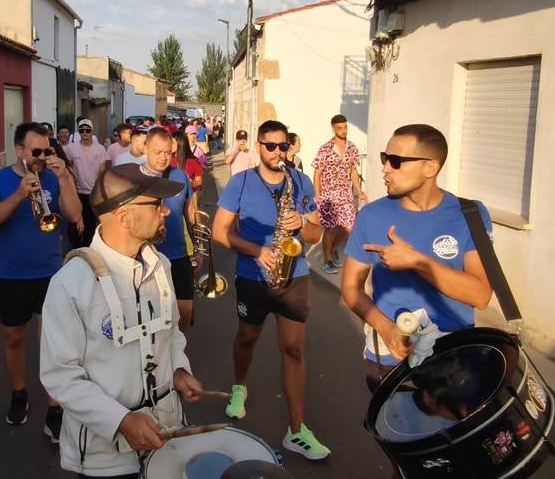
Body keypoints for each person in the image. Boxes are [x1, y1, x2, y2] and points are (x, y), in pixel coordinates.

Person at [40, 163, 204, 479]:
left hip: (166, 437)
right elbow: (60, 376)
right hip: (103, 460)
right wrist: (121, 421)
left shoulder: (161, 265)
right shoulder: (71, 284)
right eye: (155, 204)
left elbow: (171, 333)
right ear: (124, 216)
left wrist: (179, 370)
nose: (166, 211)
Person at [339, 124, 493, 393]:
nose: (385, 168)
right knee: (392, 420)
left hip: (453, 355)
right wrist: (385, 328)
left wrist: (417, 262)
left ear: (430, 168)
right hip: (390, 357)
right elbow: (351, 289)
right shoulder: (371, 216)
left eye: (396, 161)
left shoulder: (470, 214)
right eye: (385, 158)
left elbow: (480, 295)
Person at [211, 120, 331, 461]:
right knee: (247, 337)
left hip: (295, 275)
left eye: (284, 146)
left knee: (293, 348)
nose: (278, 152)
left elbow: (316, 235)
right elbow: (220, 231)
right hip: (253, 276)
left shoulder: (301, 181)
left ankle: (297, 430)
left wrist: (303, 223)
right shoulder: (241, 181)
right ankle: (239, 385)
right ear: (259, 146)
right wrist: (257, 251)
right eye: (271, 146)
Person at [0, 122, 82, 440]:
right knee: (14, 338)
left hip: (50, 273)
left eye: (46, 150)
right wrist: (18, 195)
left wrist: (64, 178)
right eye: (36, 151)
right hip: (11, 275)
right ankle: (19, 393)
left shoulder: (54, 176)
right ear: (19, 150)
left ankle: (54, 408)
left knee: (51, 341)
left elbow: (74, 216)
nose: (42, 157)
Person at [141, 129, 198, 332]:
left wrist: (198, 248)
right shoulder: (134, 177)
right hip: (146, 256)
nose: (163, 157)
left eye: (167, 152)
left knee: (186, 309)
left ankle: (177, 344)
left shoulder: (180, 176)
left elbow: (190, 211)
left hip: (178, 254)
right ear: (145, 149)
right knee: (151, 312)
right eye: (157, 152)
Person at [313, 114, 367, 275]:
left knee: (349, 228)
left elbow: (353, 172)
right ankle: (328, 260)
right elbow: (317, 174)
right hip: (328, 197)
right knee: (329, 229)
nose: (343, 131)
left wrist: (359, 191)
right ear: (333, 129)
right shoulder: (325, 149)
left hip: (346, 195)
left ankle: (333, 249)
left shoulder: (352, 148)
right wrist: (318, 196)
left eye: (345, 127)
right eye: (339, 128)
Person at [65, 118, 108, 247]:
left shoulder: (100, 149)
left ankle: (86, 249)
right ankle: (76, 248)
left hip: (92, 193)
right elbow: (68, 166)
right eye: (82, 130)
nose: (85, 133)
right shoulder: (71, 148)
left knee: (90, 225)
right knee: (74, 223)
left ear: (92, 131)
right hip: (76, 192)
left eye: (87, 130)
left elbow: (102, 170)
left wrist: (100, 191)